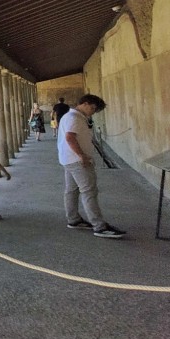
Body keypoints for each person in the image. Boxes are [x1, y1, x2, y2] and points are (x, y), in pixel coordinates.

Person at [58, 94, 125, 239]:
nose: (93, 112)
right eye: (93, 108)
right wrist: (82, 155)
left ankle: (73, 219)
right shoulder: (74, 118)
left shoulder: (70, 116)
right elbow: (70, 137)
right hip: (77, 161)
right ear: (85, 104)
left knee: (71, 191)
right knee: (89, 191)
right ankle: (99, 226)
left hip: (68, 160)